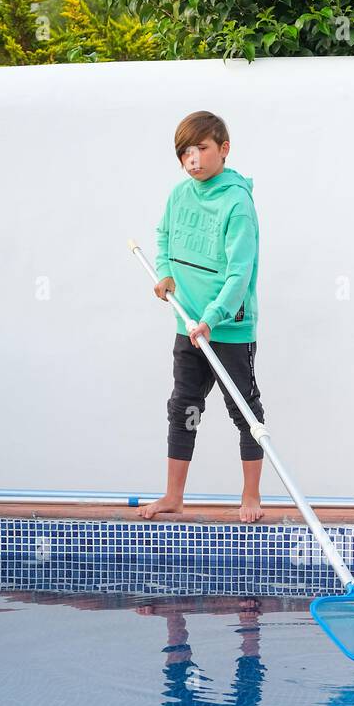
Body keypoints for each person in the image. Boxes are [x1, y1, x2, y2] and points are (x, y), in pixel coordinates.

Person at [138, 110, 265, 523]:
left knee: (244, 409)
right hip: (186, 324)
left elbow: (238, 274)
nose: (193, 159)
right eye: (184, 153)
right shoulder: (179, 195)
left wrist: (212, 318)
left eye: (202, 149)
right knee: (184, 407)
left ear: (223, 149)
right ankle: (174, 496)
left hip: (227, 328)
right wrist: (165, 274)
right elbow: (163, 236)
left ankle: (251, 495)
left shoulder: (237, 203)